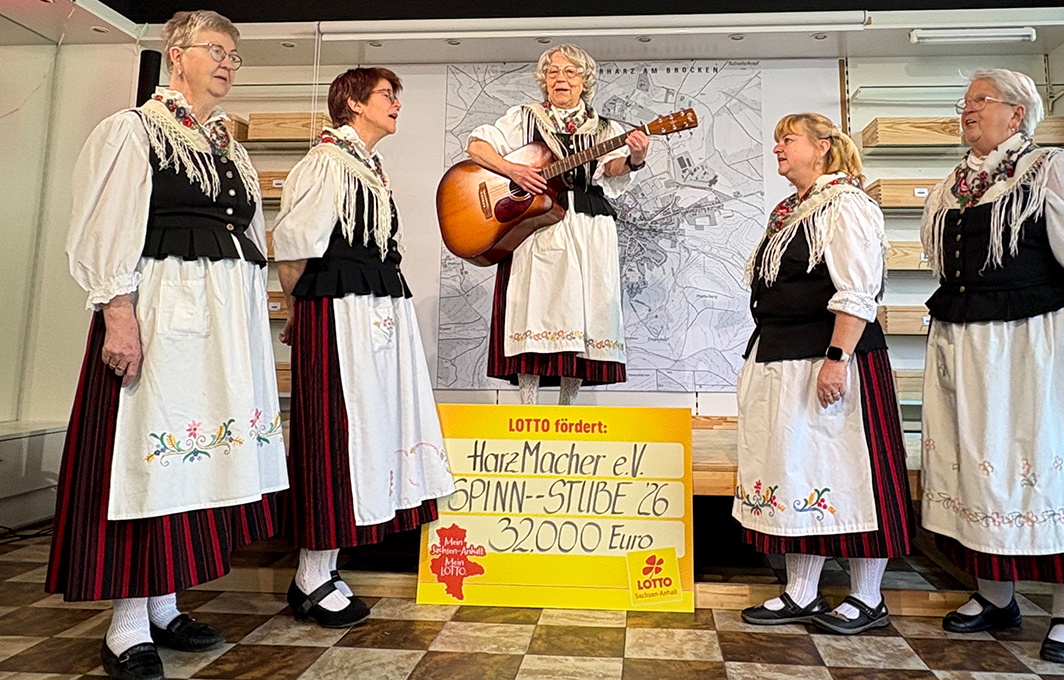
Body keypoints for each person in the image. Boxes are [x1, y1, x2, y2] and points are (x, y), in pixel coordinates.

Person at [46, 10, 287, 680]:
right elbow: (104, 226)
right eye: (217, 49)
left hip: (219, 329)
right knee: (147, 461)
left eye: (235, 55)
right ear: (175, 54)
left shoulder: (228, 147)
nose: (228, 63)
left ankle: (164, 605)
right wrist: (118, 313)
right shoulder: (134, 130)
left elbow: (250, 240)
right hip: (161, 315)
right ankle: (126, 625)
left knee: (192, 462)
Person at [919, 68, 1064, 663]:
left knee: (1056, 467)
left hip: (1035, 346)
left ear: (1017, 112)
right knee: (980, 469)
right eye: (965, 100)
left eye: (980, 99)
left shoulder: (1055, 169)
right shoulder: (956, 186)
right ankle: (995, 596)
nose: (967, 109)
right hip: (966, 348)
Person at [272, 67, 455, 628]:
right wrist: (302, 311)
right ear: (353, 102)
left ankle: (320, 568)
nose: (396, 103)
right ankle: (311, 574)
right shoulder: (327, 162)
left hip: (371, 310)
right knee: (335, 433)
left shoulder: (366, 167)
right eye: (386, 95)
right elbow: (293, 245)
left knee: (367, 432)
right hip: (338, 310)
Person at [733, 113, 914, 635]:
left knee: (853, 472)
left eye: (787, 140)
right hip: (786, 357)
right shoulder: (794, 211)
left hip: (830, 358)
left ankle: (868, 596)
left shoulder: (846, 205)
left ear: (823, 147)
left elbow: (858, 288)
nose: (778, 148)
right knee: (798, 473)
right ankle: (802, 592)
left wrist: (837, 358)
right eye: (777, 141)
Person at [465, 43, 649, 405]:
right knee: (533, 306)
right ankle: (528, 405)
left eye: (569, 72)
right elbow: (477, 146)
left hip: (587, 225)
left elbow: (610, 170)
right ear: (543, 80)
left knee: (585, 308)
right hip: (535, 222)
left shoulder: (604, 127)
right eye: (552, 72)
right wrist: (513, 170)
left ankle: (568, 408)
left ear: (584, 81)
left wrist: (635, 158)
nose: (560, 78)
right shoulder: (524, 118)